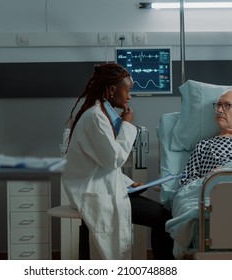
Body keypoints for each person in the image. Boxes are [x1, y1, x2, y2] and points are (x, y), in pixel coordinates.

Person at [62, 63, 174, 260]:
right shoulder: (95, 118)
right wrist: (127, 125)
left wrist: (129, 184)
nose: (129, 96)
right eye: (128, 90)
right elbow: (113, 160)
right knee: (164, 219)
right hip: (93, 193)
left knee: (163, 216)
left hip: (101, 187)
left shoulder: (99, 115)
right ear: (112, 89)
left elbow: (101, 167)